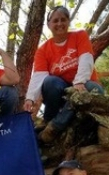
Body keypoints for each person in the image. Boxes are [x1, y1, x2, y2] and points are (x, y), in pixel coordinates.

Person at [26, 5, 104, 141]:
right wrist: (30, 98)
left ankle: (54, 127)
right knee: (50, 82)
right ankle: (50, 118)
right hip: (61, 93)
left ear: (68, 21)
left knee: (94, 89)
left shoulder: (80, 35)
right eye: (55, 21)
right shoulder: (43, 50)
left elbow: (86, 59)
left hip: (83, 86)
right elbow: (39, 76)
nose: (59, 23)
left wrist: (79, 81)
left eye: (63, 20)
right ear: (49, 25)